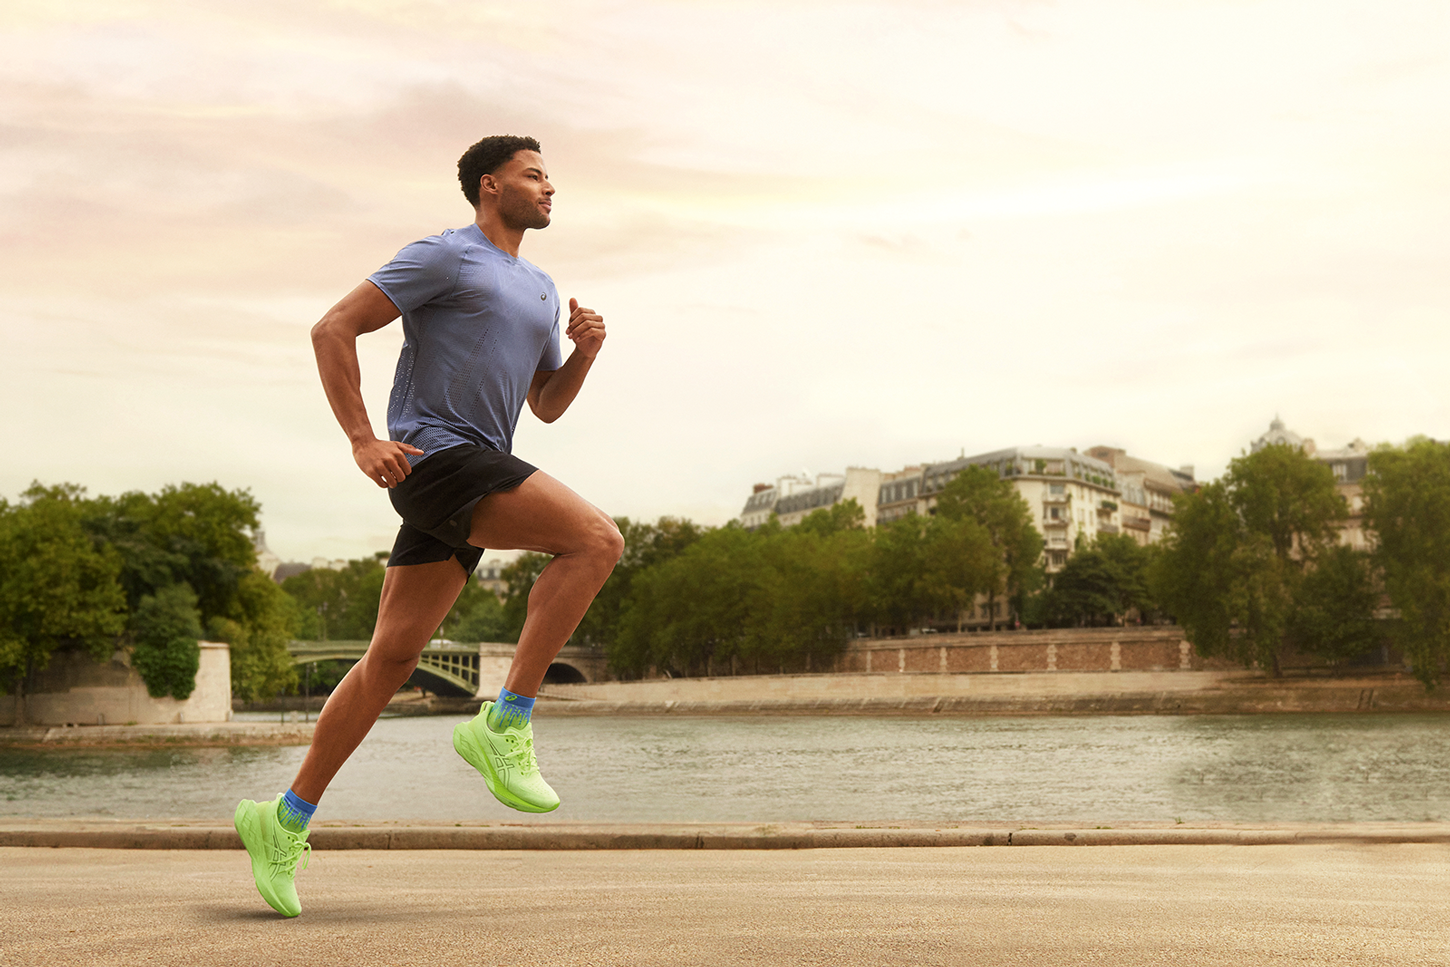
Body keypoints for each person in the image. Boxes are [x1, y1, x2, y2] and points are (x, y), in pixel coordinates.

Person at [233, 135, 624, 918]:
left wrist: (583, 352)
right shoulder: (444, 256)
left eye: (551, 176)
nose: (551, 188)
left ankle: (282, 819)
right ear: (490, 185)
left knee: (390, 659)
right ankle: (505, 720)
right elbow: (333, 327)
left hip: (476, 468)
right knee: (596, 539)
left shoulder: (543, 288)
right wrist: (360, 437)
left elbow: (543, 404)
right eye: (534, 174)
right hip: (438, 458)